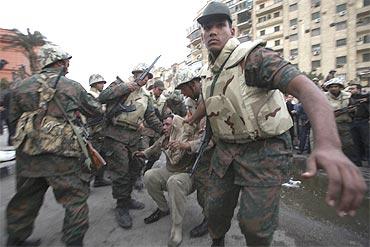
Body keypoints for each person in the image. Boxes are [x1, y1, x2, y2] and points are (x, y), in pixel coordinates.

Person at [187, 2, 367, 246]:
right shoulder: (210, 72)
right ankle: (217, 241)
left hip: (263, 151)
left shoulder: (253, 58)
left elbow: (306, 89)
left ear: (234, 31)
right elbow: (210, 101)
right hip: (226, 151)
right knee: (214, 211)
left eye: (220, 25)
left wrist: (328, 144)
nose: (212, 31)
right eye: (207, 27)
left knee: (254, 226)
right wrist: (193, 119)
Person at [6, 44, 103, 247]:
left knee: (25, 200)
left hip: (28, 155)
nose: (68, 66)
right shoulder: (71, 86)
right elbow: (95, 111)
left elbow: (13, 120)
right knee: (75, 201)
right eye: (66, 62)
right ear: (59, 62)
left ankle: (15, 240)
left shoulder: (21, 87)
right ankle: (73, 242)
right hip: (63, 156)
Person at [98, 63, 163, 229]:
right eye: (141, 75)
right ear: (135, 75)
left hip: (134, 137)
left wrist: (164, 130)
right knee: (120, 172)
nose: (144, 78)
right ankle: (121, 206)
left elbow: (151, 117)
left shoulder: (146, 96)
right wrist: (126, 88)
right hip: (115, 135)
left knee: (136, 167)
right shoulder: (119, 85)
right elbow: (102, 97)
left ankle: (127, 198)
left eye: (148, 76)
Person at [138, 114, 196, 247]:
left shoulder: (186, 136)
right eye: (163, 124)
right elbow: (155, 146)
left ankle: (177, 226)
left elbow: (189, 150)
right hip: (170, 171)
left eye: (167, 124)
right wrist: (144, 153)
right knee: (149, 175)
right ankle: (163, 209)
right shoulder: (166, 137)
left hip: (186, 174)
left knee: (174, 182)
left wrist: (183, 145)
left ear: (175, 125)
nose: (164, 127)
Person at [173, 68, 212, 239]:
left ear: (192, 84)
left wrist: (187, 145)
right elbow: (192, 125)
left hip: (218, 147)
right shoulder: (190, 101)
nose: (182, 93)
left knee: (207, 187)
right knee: (203, 184)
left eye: (182, 88)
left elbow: (211, 135)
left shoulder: (210, 94)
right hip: (202, 147)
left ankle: (210, 221)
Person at [325, 78, 359, 166]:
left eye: (336, 86)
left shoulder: (347, 96)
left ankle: (350, 163)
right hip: (330, 125)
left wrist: (352, 110)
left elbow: (354, 109)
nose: (334, 88)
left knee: (348, 144)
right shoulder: (323, 96)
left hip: (344, 124)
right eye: (331, 87)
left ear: (340, 87)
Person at [87, 74, 112, 187]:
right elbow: (96, 111)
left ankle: (99, 179)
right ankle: (85, 182)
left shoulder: (99, 95)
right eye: (100, 83)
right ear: (94, 84)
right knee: (93, 157)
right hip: (94, 131)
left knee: (102, 156)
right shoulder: (90, 96)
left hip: (101, 131)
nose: (103, 85)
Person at [348, 83, 369, 165]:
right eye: (350, 89)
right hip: (354, 121)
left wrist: (366, 100)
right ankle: (357, 161)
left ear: (358, 89)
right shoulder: (351, 98)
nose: (351, 90)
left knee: (367, 143)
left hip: (364, 121)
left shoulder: (365, 96)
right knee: (355, 143)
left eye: (353, 88)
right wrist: (351, 110)